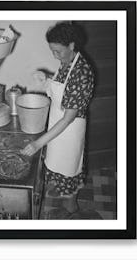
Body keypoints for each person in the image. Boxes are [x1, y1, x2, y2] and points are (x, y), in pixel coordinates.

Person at [21, 22, 95, 213]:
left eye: (58, 51)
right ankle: (64, 196)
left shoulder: (82, 73)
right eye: (52, 51)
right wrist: (45, 79)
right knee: (56, 164)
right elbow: (62, 90)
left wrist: (38, 143)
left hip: (68, 130)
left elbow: (68, 118)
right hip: (57, 124)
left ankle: (72, 210)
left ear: (71, 45)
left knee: (67, 168)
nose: (55, 56)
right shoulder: (68, 62)